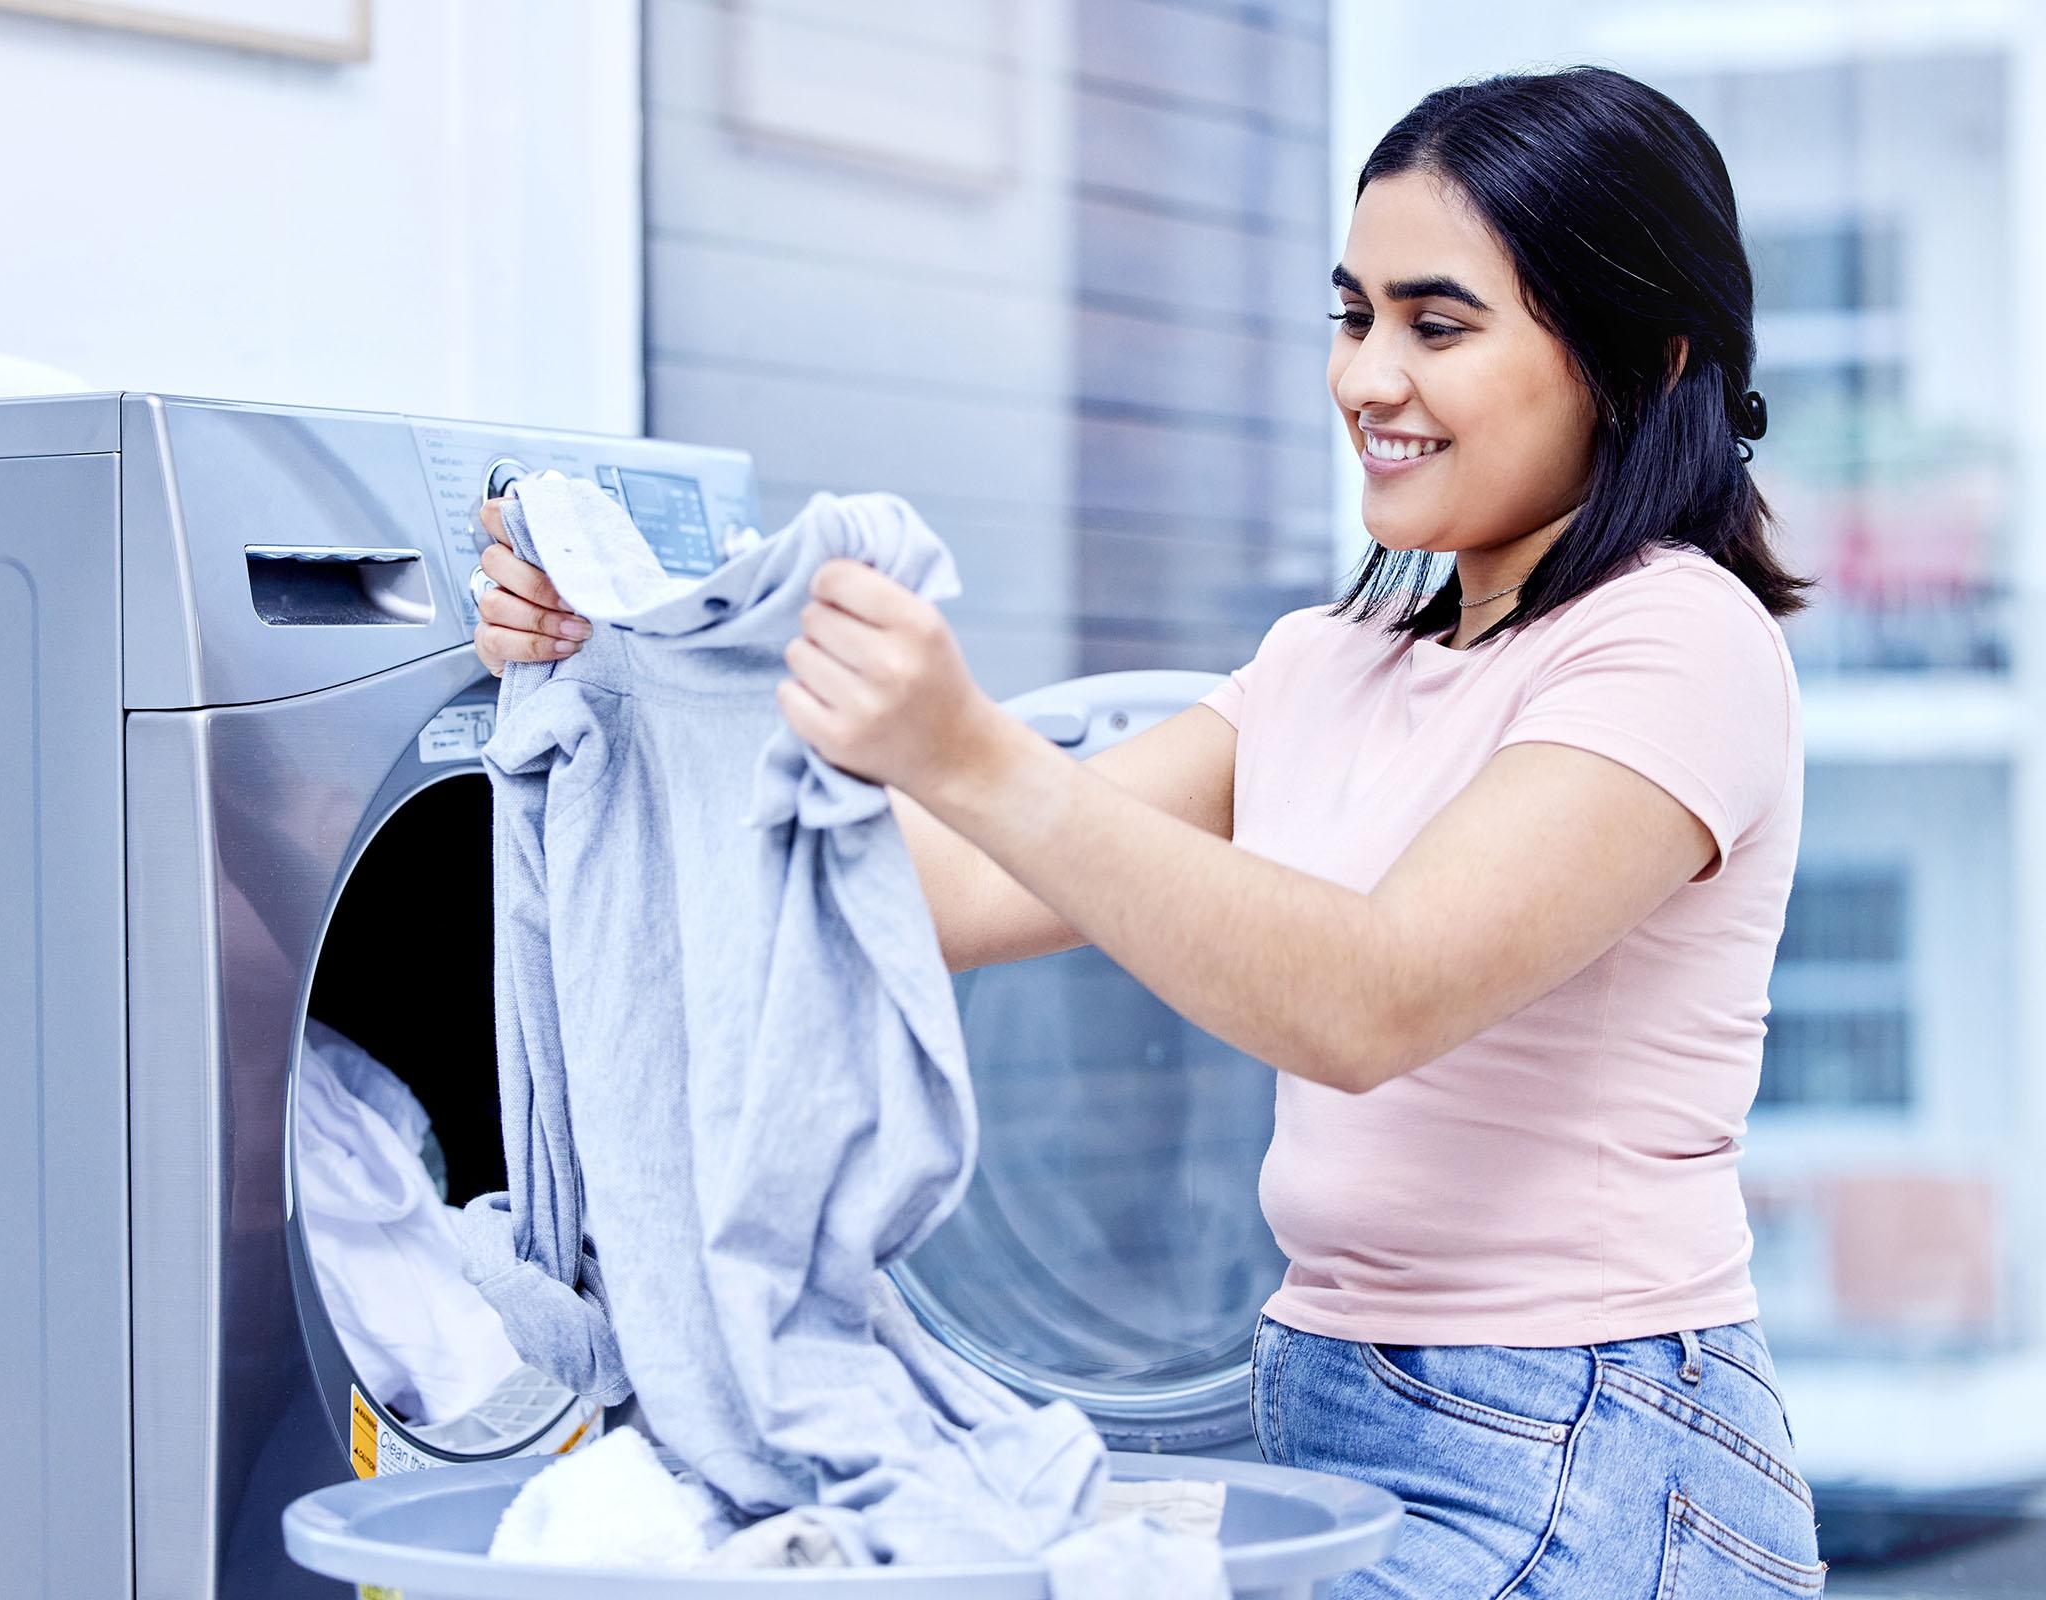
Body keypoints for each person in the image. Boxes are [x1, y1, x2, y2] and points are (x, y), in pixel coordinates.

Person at [472, 63, 1826, 1600]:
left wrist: (969, 745)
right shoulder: (1333, 660)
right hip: (1329, 1404)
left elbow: (1369, 998)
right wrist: (635, 678)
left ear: (1641, 363)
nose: (1368, 379)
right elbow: (941, 892)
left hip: (1589, 1446)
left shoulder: (1676, 646)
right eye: (1353, 314)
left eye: (1438, 326)